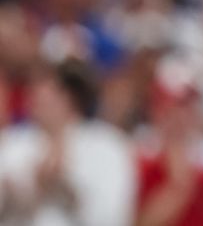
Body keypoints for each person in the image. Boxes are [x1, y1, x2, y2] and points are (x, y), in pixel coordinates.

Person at [0, 59, 136, 226]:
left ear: (70, 96)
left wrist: (66, 190)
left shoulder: (108, 144)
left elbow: (114, 215)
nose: (33, 95)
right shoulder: (13, 141)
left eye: (47, 88)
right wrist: (16, 195)